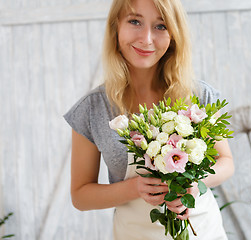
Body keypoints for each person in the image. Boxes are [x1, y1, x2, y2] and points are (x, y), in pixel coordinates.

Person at [64, 0, 234, 239]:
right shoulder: (93, 109)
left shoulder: (197, 95)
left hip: (204, 232)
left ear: (174, 35)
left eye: (161, 26)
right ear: (116, 28)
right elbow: (80, 197)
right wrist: (134, 188)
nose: (146, 38)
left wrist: (194, 183)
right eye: (135, 21)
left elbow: (226, 161)